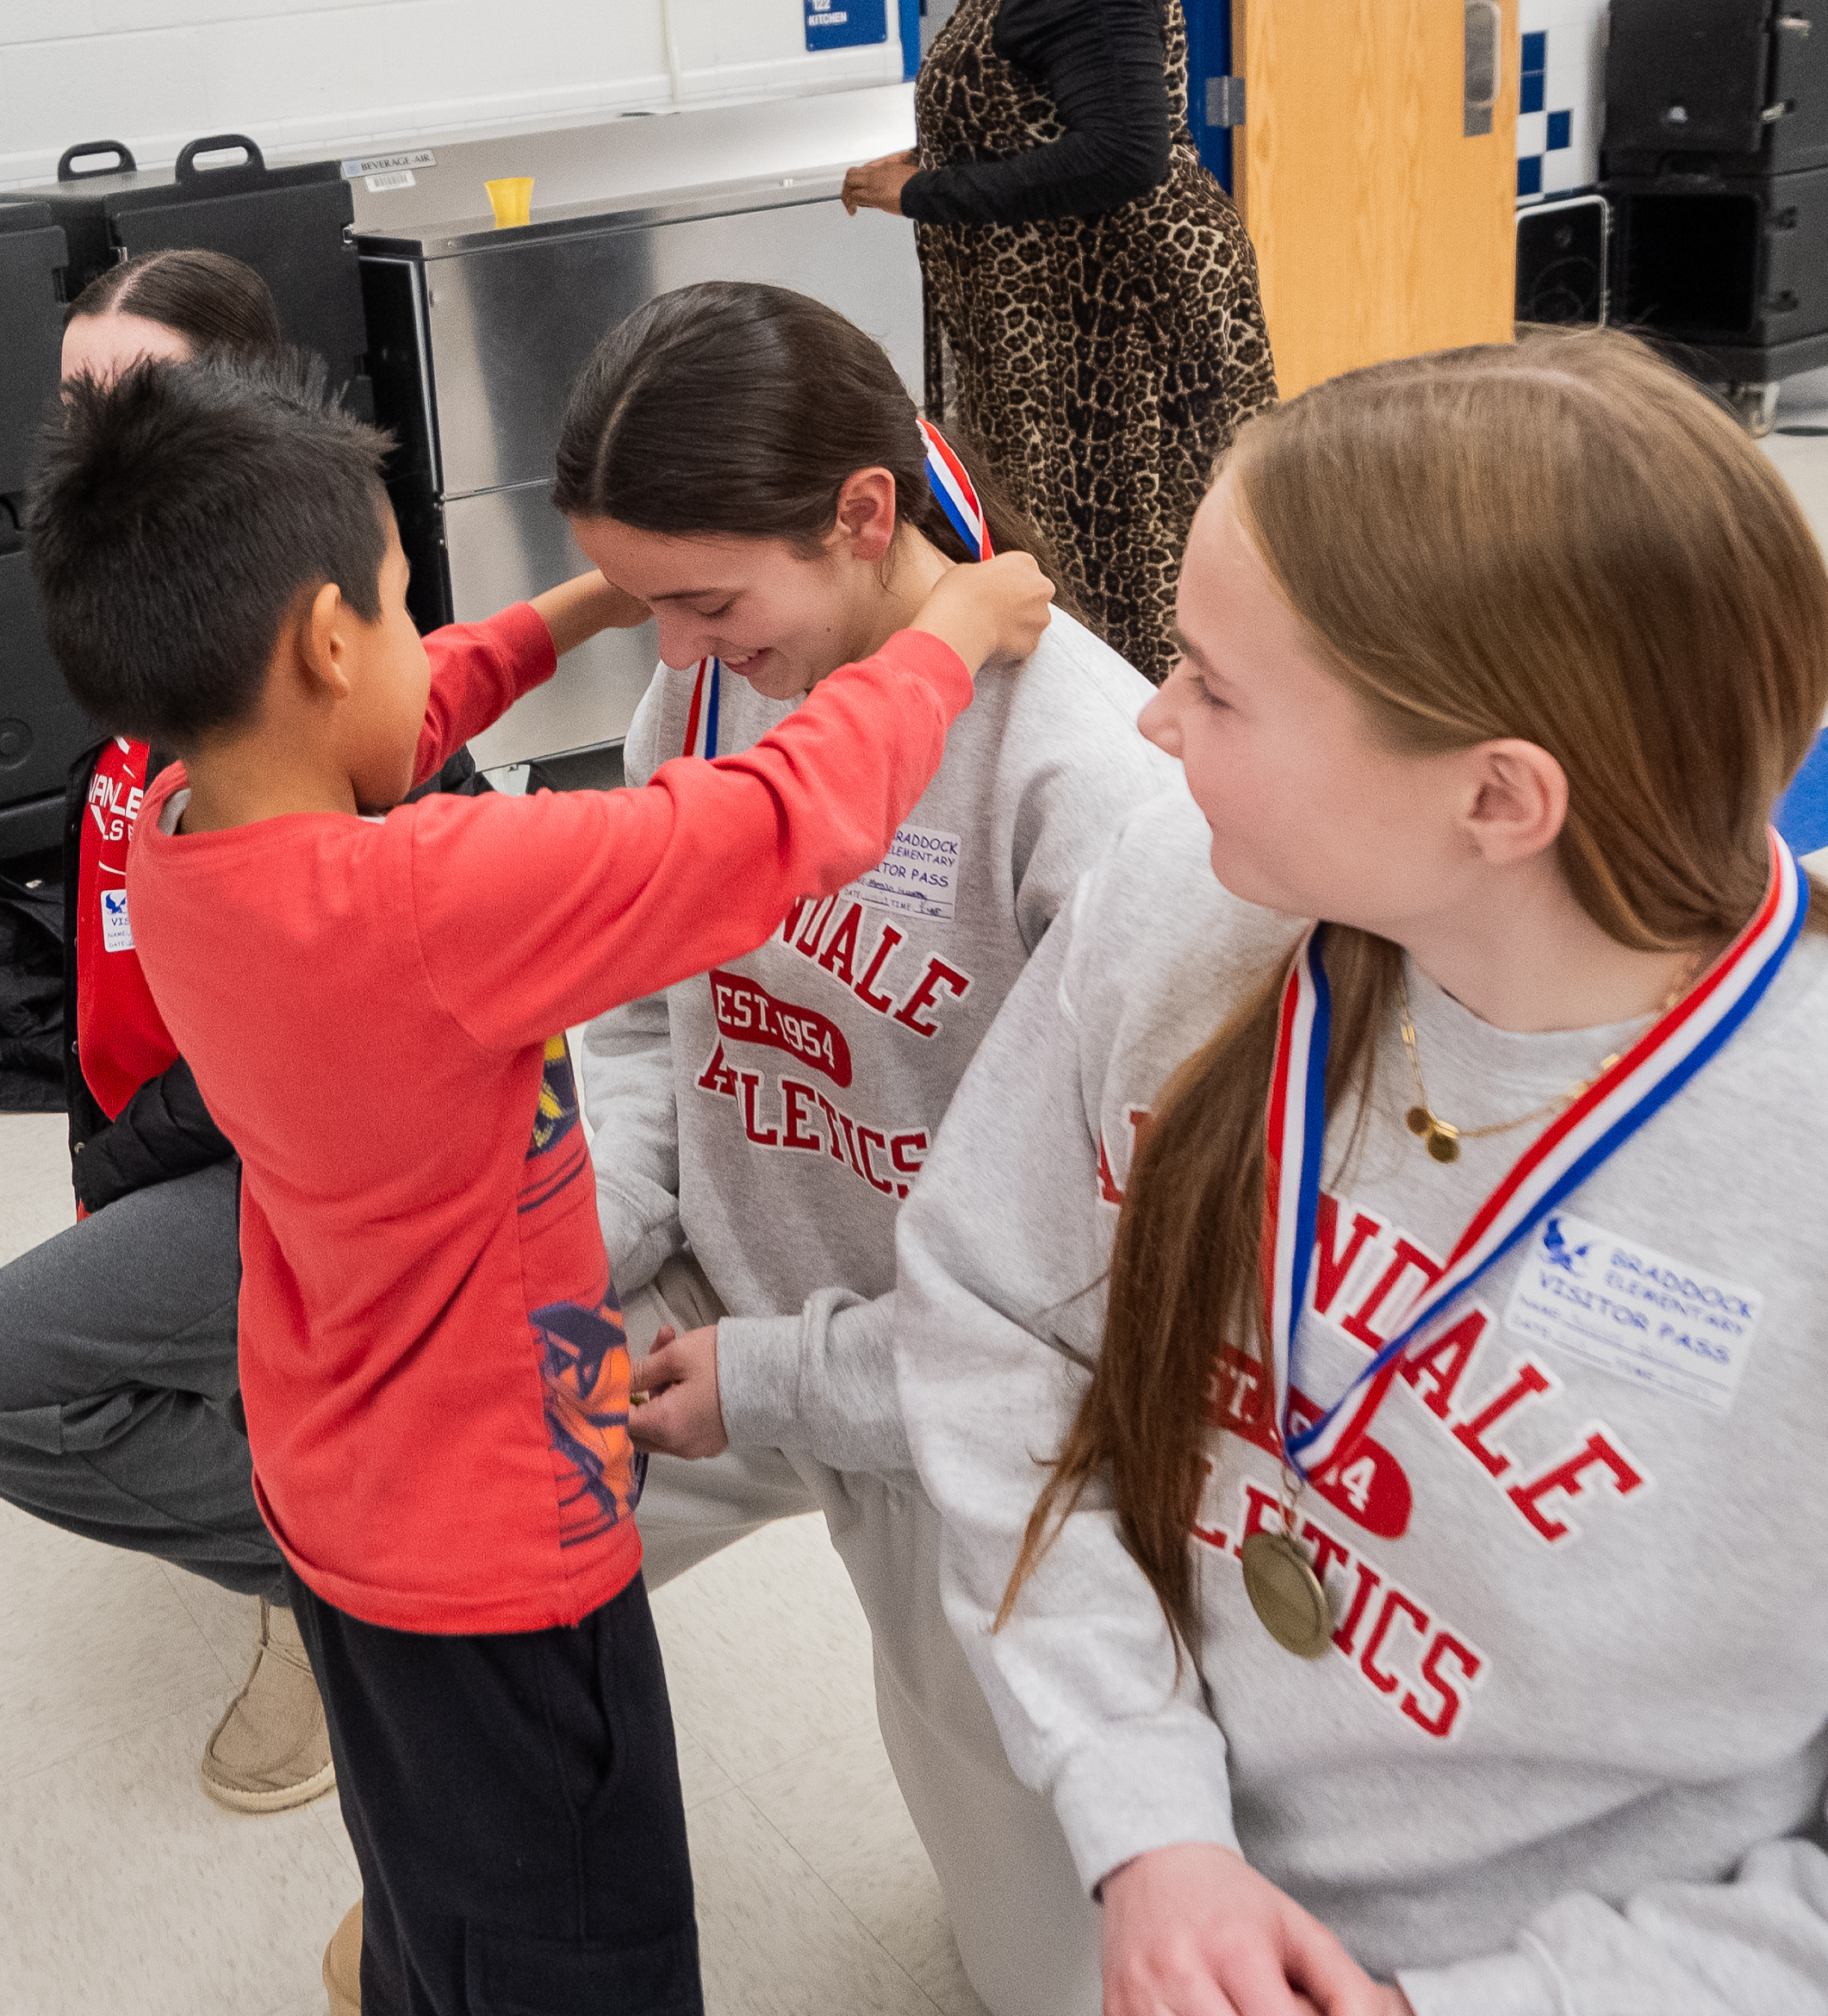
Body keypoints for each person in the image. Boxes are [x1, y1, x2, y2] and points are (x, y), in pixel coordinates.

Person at [894, 328, 1828, 2016]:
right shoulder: (1186, 907)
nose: (1156, 721)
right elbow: (987, 1319)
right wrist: (1147, 1818)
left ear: (1499, 798)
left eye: (1216, 683)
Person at [40, 351, 1053, 2014]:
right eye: (393, 595)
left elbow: (408, 704)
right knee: (583, 1936)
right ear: (319, 640)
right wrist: (950, 637)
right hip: (498, 1537)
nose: (421, 645)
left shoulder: (178, 820)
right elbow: (765, 825)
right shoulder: (424, 894)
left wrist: (588, 602)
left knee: (436, 1875)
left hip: (338, 1488)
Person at [553, 280, 1171, 2016]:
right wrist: (594, 1230)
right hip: (724, 1301)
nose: (674, 649)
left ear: (862, 513)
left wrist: (785, 1381)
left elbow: (1098, 1301)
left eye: (706, 600)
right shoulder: (689, 711)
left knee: (1044, 1961)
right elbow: (634, 1016)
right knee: (447, 1564)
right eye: (646, 600)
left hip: (968, 1400)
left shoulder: (1081, 780)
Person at [0, 246, 569, 1817]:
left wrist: (138, 1168)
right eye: (72, 406)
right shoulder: (151, 680)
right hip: (166, 1146)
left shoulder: (351, 711)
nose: (87, 451)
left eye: (128, 402)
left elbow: (347, 1006)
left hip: (271, 1170)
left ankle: (340, 1584)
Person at [843, 0, 1275, 681]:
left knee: (1128, 550)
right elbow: (1047, 106)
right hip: (1053, 310)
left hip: (1111, 311)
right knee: (1074, 538)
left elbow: (1123, 154)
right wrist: (940, 151)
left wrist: (930, 188)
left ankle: (1152, 742)